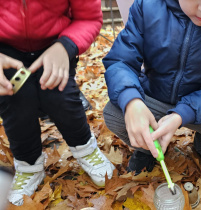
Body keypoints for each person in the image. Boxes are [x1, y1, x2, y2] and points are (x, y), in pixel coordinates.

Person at [103, 0, 201, 177]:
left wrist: (182, 114)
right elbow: (121, 60)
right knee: (114, 114)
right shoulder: (148, 6)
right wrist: (132, 101)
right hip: (154, 95)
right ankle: (148, 148)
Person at [0, 0, 115, 206]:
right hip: (5, 50)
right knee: (15, 100)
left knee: (60, 95)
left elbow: (89, 17)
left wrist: (67, 45)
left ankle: (86, 150)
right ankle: (28, 166)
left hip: (56, 45)